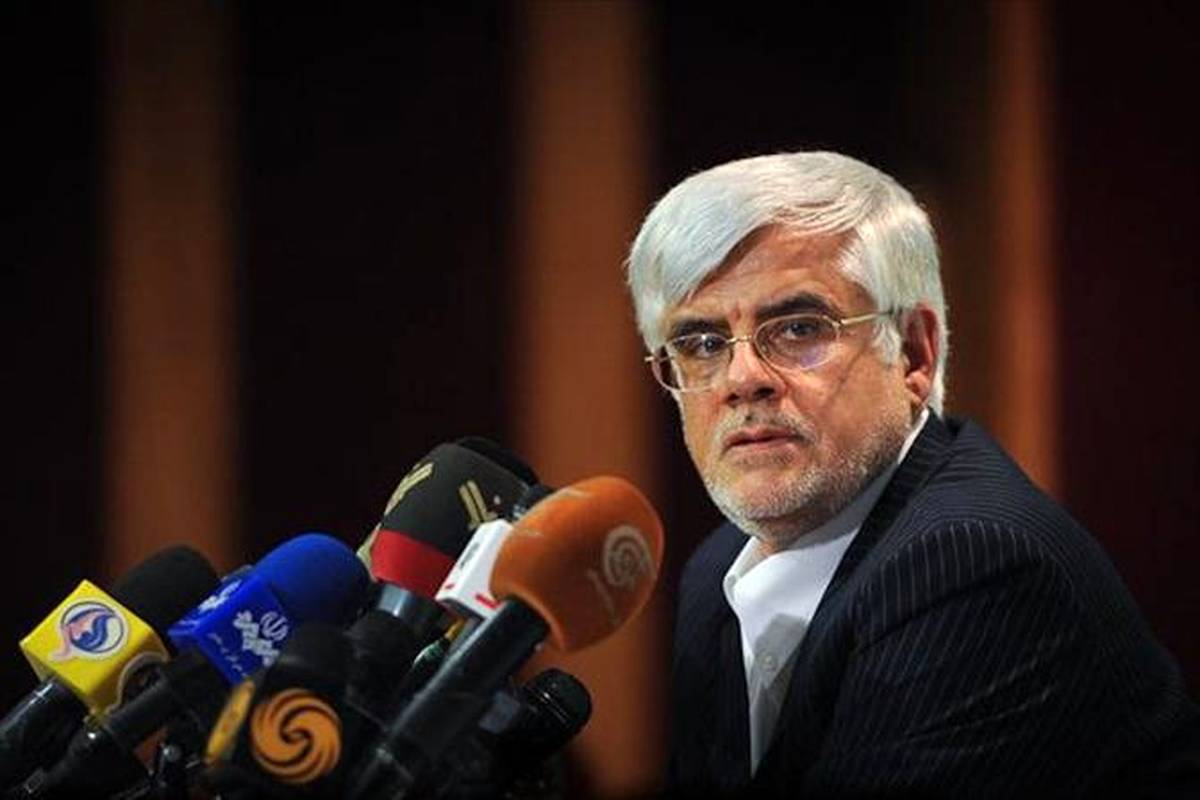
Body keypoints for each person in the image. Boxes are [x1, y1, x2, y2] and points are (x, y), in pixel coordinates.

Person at [625, 151, 1199, 797]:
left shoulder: (974, 562)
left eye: (799, 328)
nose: (742, 378)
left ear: (914, 354)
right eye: (702, 344)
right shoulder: (716, 570)